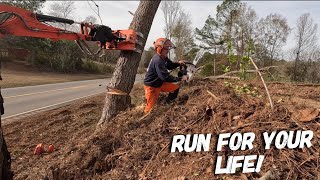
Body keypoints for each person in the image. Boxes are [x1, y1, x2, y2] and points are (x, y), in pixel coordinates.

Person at [143, 38, 188, 114]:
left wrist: (179, 63)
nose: (168, 50)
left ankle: (168, 105)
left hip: (160, 83)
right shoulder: (157, 60)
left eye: (168, 48)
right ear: (159, 48)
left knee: (175, 88)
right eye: (166, 48)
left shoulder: (163, 58)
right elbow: (165, 77)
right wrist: (180, 78)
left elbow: (170, 66)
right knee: (149, 110)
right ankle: (144, 122)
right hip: (152, 86)